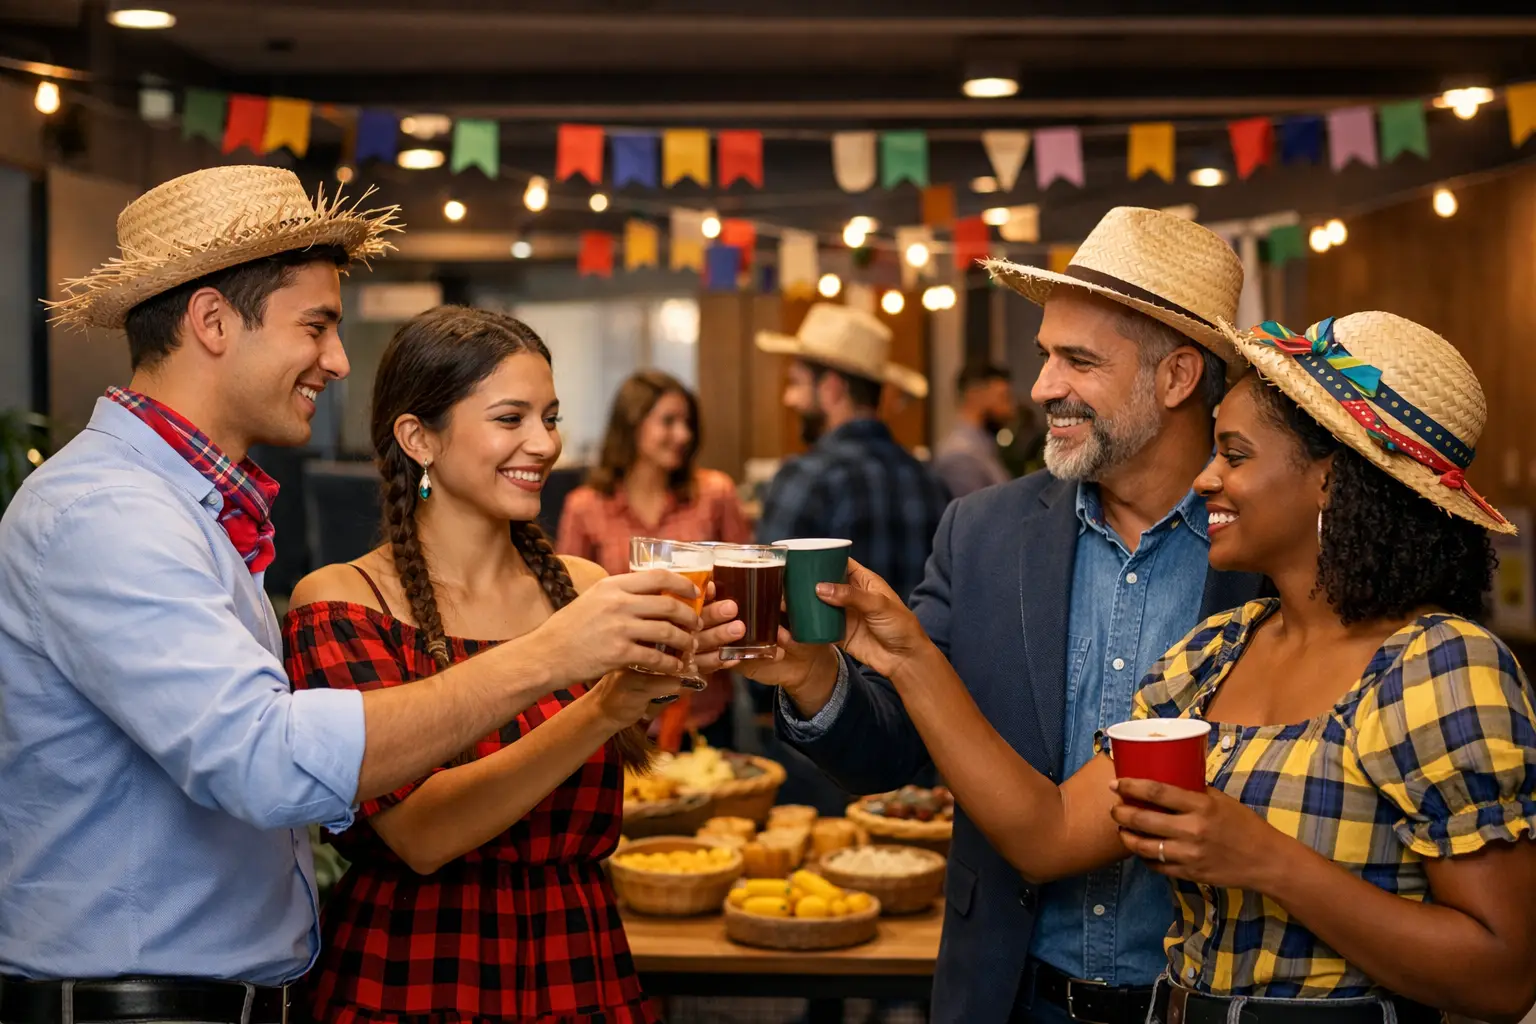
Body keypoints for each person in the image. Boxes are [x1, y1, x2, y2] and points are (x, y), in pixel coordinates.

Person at [0, 167, 715, 1021]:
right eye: (317, 326)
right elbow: (267, 763)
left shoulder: (183, 511)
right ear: (213, 321)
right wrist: (559, 655)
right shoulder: (108, 513)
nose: (338, 361)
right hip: (147, 1005)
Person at [798, 311, 1536, 1024]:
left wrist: (1263, 859)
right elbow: (1047, 834)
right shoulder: (1218, 651)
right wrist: (908, 653)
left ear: (1331, 482)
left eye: (1236, 456)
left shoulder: (1441, 667)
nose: (1207, 479)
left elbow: (1504, 979)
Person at [703, 208, 1267, 1023]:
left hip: (1210, 1002)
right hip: (1011, 993)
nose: (1042, 388)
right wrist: (814, 677)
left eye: (1077, 360)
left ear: (1178, 378)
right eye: (1044, 357)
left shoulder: (1266, 555)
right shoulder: (984, 531)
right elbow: (891, 746)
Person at [283, 307, 748, 1024]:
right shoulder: (345, 600)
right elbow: (420, 837)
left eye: (551, 416)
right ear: (418, 437)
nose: (547, 443)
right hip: (413, 976)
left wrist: (677, 675)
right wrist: (603, 706)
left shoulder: (585, 588)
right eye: (511, 418)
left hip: (580, 962)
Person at [558, 369, 753, 747]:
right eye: (668, 421)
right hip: (619, 711)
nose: (684, 435)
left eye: (687, 423)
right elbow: (567, 610)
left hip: (704, 707)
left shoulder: (714, 493)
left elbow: (744, 590)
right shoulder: (585, 507)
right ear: (631, 423)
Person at [755, 301, 949, 603]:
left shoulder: (806, 477)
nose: (788, 398)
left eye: (796, 382)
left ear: (831, 389)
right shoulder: (930, 481)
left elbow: (765, 594)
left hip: (825, 651)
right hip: (914, 649)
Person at [933, 361, 1017, 497]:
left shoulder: (983, 448)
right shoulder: (961, 457)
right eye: (1003, 398)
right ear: (974, 396)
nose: (1010, 410)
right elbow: (974, 516)